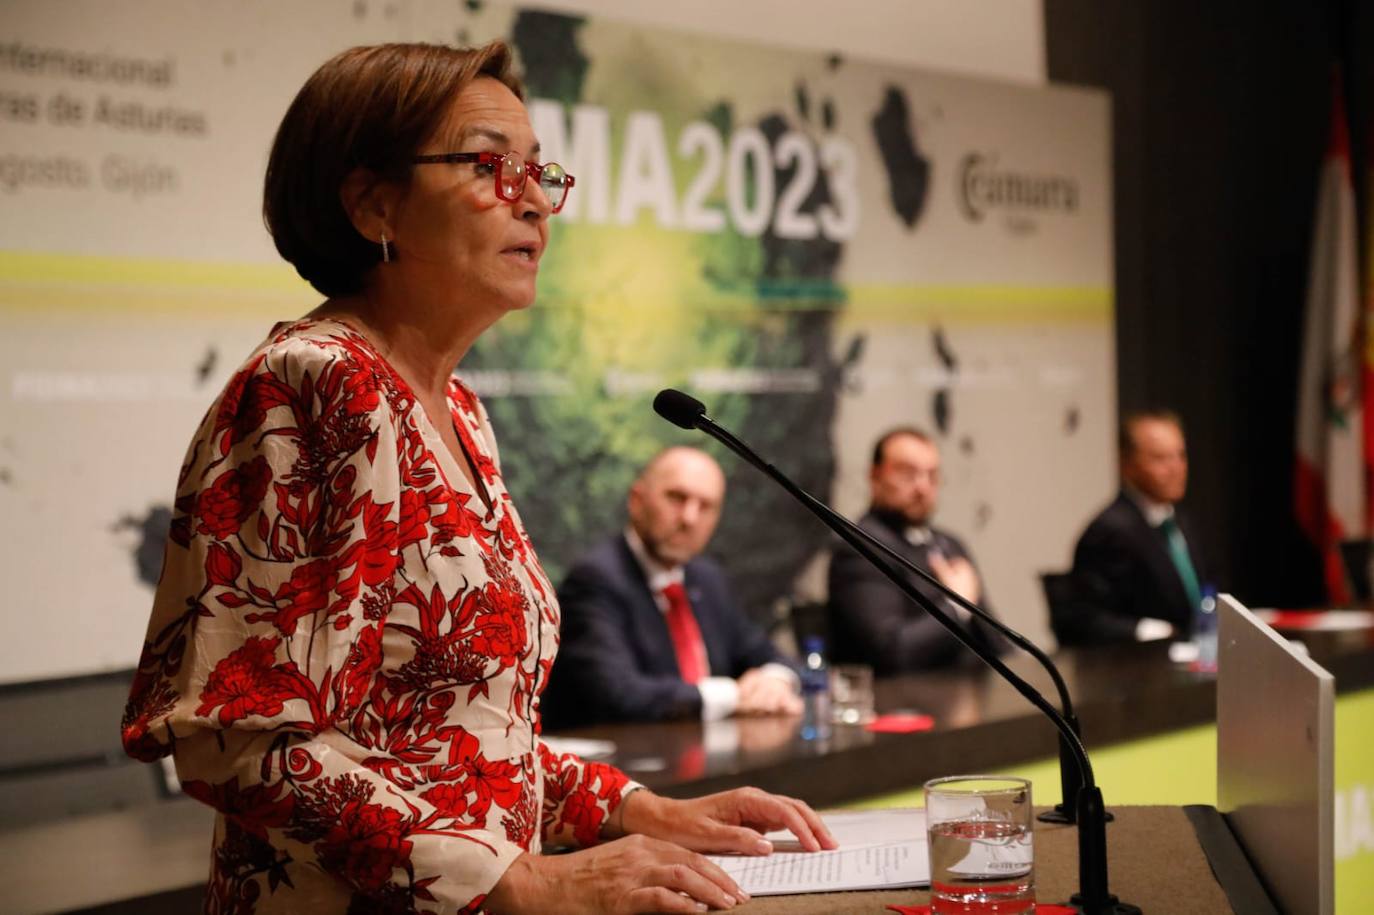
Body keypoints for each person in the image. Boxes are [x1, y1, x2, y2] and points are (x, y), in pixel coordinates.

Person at [119, 41, 832, 915]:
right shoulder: (311, 386)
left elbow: (459, 742)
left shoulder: (457, 411)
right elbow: (239, 743)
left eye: (539, 172)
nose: (532, 200)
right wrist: (518, 880)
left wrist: (642, 810)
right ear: (373, 203)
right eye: (490, 166)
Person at [544, 447, 802, 728]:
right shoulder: (596, 579)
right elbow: (618, 693)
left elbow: (767, 654)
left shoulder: (708, 578)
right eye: (677, 498)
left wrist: (775, 681)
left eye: (706, 506)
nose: (690, 518)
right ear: (637, 500)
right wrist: (732, 695)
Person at [827, 427, 1004, 675]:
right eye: (907, 473)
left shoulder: (950, 544)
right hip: (903, 694)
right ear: (875, 476)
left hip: (972, 688)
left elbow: (995, 643)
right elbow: (892, 652)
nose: (923, 487)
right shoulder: (859, 547)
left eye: (932, 475)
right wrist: (957, 607)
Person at [1058, 409, 1208, 645]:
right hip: (1141, 659)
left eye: (1180, 455)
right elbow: (1083, 619)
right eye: (1160, 458)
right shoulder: (1108, 531)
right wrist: (1144, 630)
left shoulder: (1182, 520)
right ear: (1127, 464)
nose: (1176, 468)